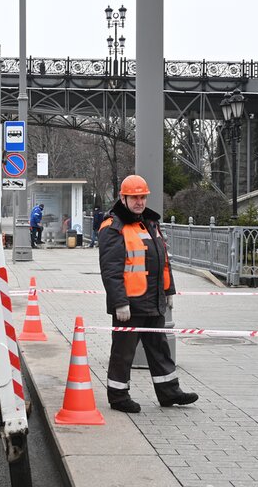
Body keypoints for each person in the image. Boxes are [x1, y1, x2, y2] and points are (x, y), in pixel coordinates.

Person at [98, 174, 198, 413]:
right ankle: (118, 396)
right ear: (122, 198)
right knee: (123, 353)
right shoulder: (113, 227)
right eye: (134, 197)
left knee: (159, 348)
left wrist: (169, 290)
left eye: (142, 197)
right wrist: (120, 303)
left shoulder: (150, 223)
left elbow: (163, 261)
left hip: (153, 300)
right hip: (129, 305)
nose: (139, 202)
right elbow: (111, 270)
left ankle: (169, 392)